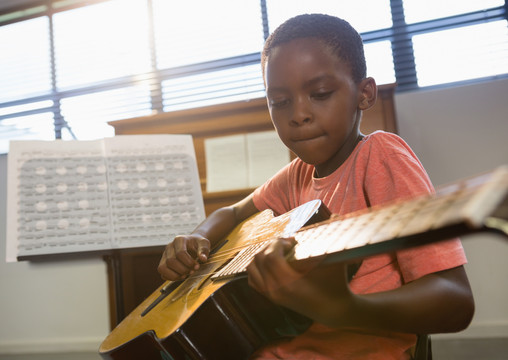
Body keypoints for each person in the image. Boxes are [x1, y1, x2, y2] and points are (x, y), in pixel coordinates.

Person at [158, 13, 474, 360]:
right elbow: (233, 212)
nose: (298, 114)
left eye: (320, 93)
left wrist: (344, 308)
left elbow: (455, 300)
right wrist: (198, 237)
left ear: (364, 94)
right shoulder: (296, 175)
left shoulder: (381, 155)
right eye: (280, 102)